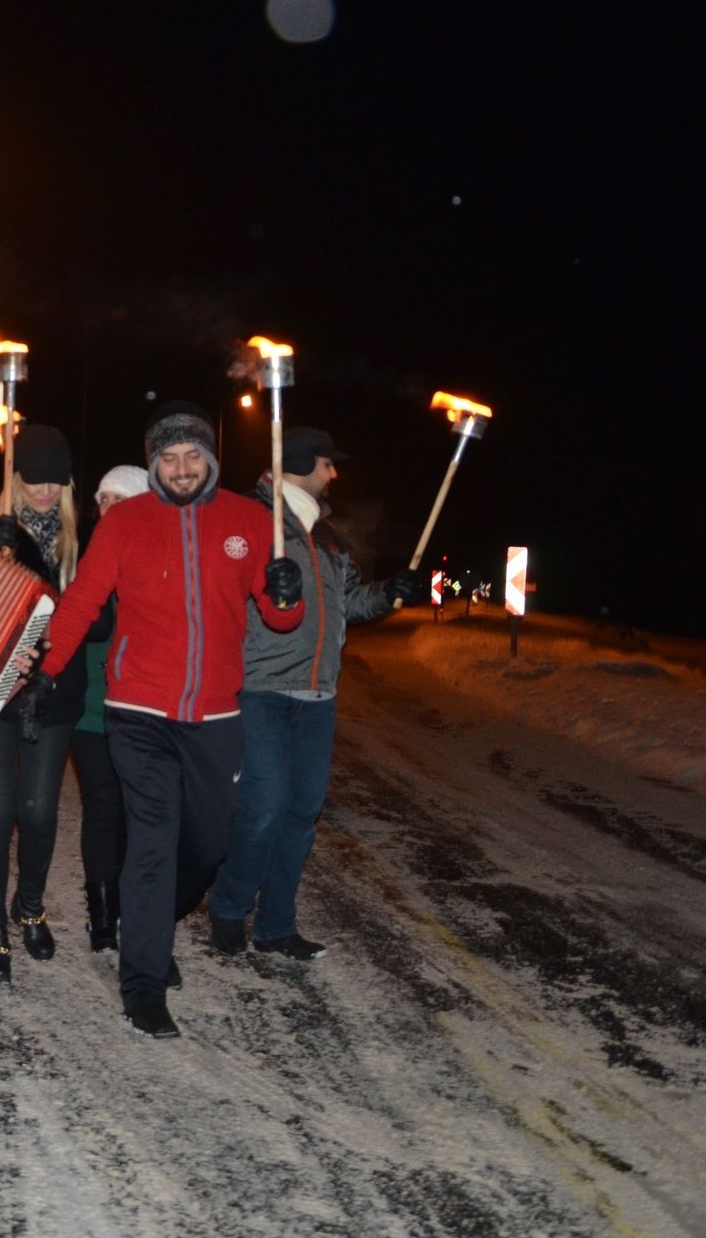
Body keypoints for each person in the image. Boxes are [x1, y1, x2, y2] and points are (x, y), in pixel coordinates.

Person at [30, 400, 304, 1040]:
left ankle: (145, 915)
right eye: (168, 458)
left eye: (192, 457)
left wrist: (285, 588)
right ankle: (144, 980)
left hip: (215, 714)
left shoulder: (250, 521)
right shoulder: (125, 523)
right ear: (154, 464)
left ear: (209, 460)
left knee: (207, 845)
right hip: (139, 711)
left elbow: (281, 617)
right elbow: (80, 603)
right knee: (152, 841)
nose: (181, 468)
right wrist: (45, 672)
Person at [208, 429, 419, 962]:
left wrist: (390, 594)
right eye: (327, 463)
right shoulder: (252, 519)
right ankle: (230, 908)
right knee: (262, 806)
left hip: (318, 695)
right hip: (260, 688)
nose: (334, 473)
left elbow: (350, 603)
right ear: (301, 463)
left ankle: (276, 923)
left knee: (302, 811)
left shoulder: (329, 537)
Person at [0, 425, 87, 986]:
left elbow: (96, 617)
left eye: (53, 480)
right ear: (15, 478)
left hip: (54, 691)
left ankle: (29, 905)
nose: (42, 490)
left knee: (38, 810)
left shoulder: (78, 539)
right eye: (32, 478)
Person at [73, 464, 150, 954]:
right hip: (91, 708)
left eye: (120, 499)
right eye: (103, 499)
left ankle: (132, 906)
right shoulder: (85, 559)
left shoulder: (160, 560)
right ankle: (102, 917)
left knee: (137, 812)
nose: (108, 509)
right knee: (103, 808)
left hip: (144, 707)